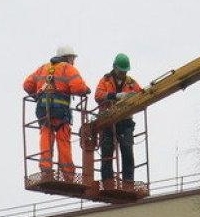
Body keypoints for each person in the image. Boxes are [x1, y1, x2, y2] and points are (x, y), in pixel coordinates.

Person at [23, 45, 91, 180]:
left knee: (46, 135)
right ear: (68, 58)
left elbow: (27, 85)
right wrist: (86, 90)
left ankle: (46, 170)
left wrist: (37, 96)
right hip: (60, 111)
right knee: (63, 137)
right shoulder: (68, 69)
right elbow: (78, 87)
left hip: (43, 109)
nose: (73, 61)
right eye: (72, 58)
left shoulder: (43, 68)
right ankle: (68, 174)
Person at [94, 53, 143, 183]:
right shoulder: (105, 80)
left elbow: (142, 95)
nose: (123, 73)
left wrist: (135, 97)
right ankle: (107, 181)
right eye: (121, 70)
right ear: (115, 68)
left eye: (125, 71)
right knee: (107, 150)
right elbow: (98, 96)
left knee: (127, 149)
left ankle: (128, 181)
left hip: (125, 120)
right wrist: (116, 96)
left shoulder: (131, 82)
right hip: (107, 120)